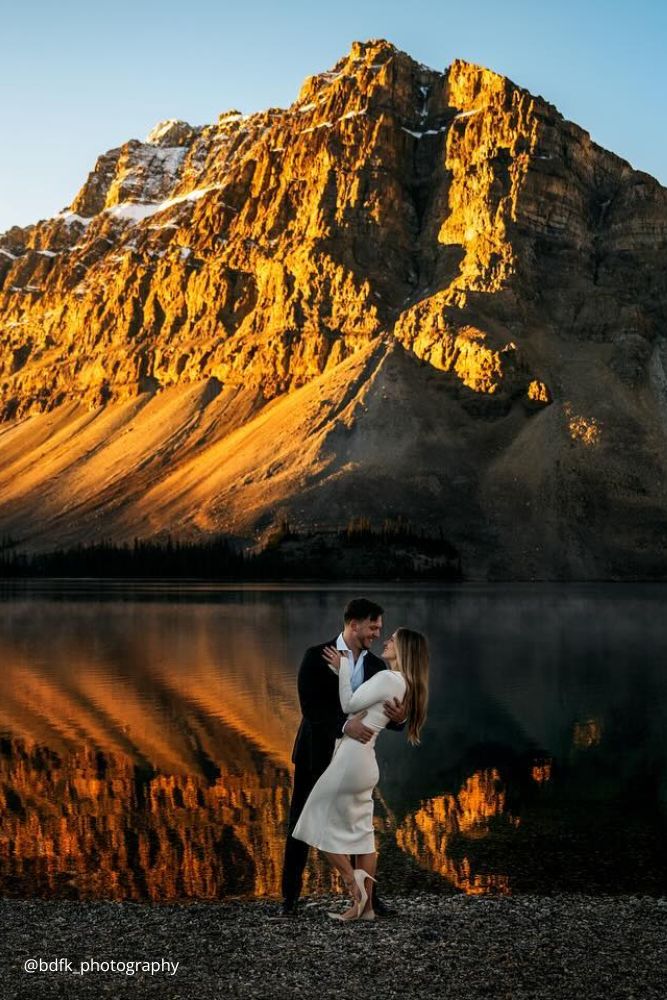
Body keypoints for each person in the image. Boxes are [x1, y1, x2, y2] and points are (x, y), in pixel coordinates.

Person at [292, 626, 429, 921]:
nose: (385, 639)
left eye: (392, 638)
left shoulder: (385, 676)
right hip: (367, 764)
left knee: (310, 822)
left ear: (403, 650)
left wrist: (342, 669)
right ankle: (365, 910)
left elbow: (349, 704)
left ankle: (354, 885)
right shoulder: (406, 684)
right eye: (380, 630)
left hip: (350, 762)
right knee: (364, 837)